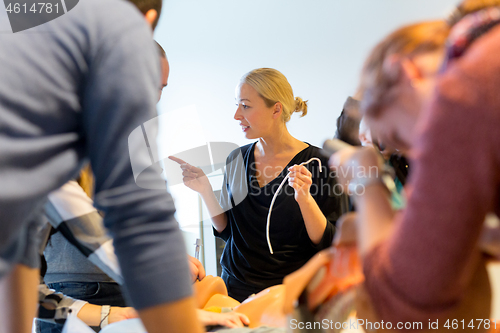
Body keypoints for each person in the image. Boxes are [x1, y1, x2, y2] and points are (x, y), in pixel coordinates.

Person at [0, 0, 203, 332]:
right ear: (145, 21)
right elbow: (139, 218)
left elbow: (23, 240)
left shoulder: (26, 27)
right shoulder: (117, 28)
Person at [329, 2, 500, 327]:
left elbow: (404, 310)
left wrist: (367, 180)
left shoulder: (463, 92)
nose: (418, 153)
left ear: (406, 72)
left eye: (399, 137)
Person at [170, 68, 348, 301]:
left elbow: (330, 242)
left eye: (245, 105)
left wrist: (304, 198)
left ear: (276, 109)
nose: (236, 115)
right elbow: (227, 231)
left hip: (290, 295)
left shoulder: (322, 163)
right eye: (237, 105)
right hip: (235, 290)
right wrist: (205, 190)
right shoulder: (236, 159)